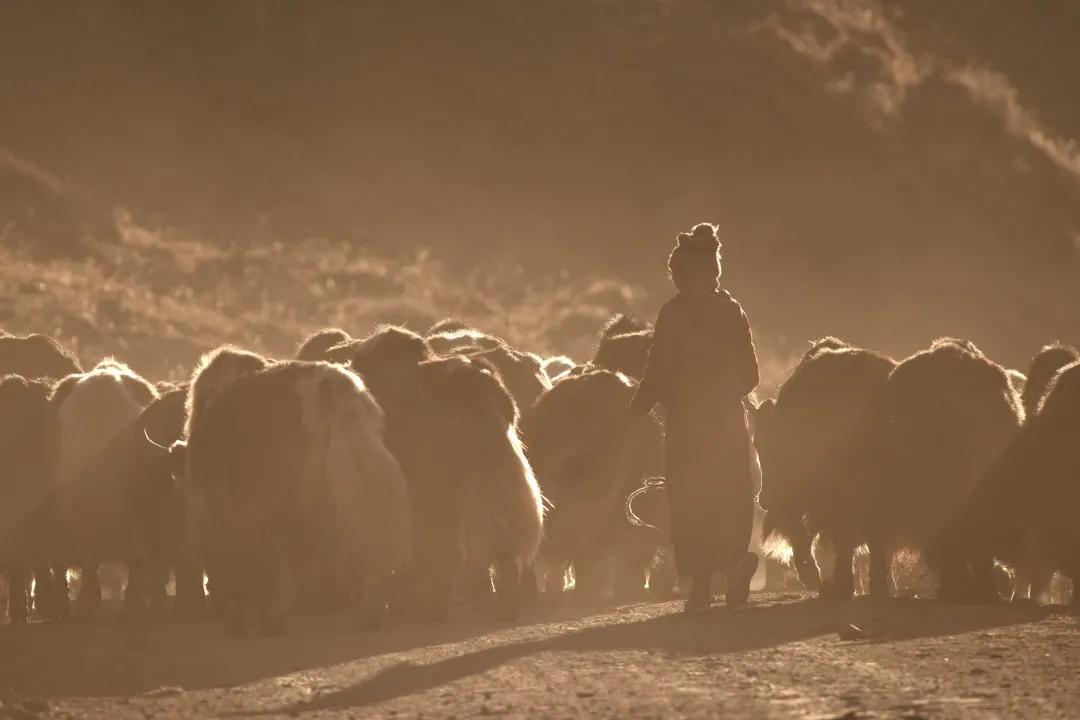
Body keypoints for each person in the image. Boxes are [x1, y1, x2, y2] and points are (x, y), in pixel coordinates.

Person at [630, 222, 760, 612]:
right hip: (728, 426)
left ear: (682, 274)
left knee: (691, 502)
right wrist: (722, 398)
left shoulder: (673, 312)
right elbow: (751, 374)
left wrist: (636, 408)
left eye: (675, 274)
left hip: (686, 427)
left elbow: (658, 371)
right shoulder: (732, 309)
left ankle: (701, 587)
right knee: (730, 496)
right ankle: (735, 565)